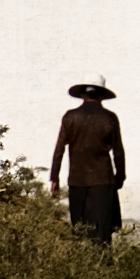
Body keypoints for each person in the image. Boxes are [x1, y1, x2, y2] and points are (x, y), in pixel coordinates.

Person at [50, 80, 124, 241]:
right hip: (103, 180)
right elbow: (118, 152)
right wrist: (120, 177)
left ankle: (82, 264)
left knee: (80, 229)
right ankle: (103, 264)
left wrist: (54, 177)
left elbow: (59, 149)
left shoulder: (71, 117)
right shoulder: (109, 118)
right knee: (102, 231)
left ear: (82, 95)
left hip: (77, 180)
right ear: (102, 96)